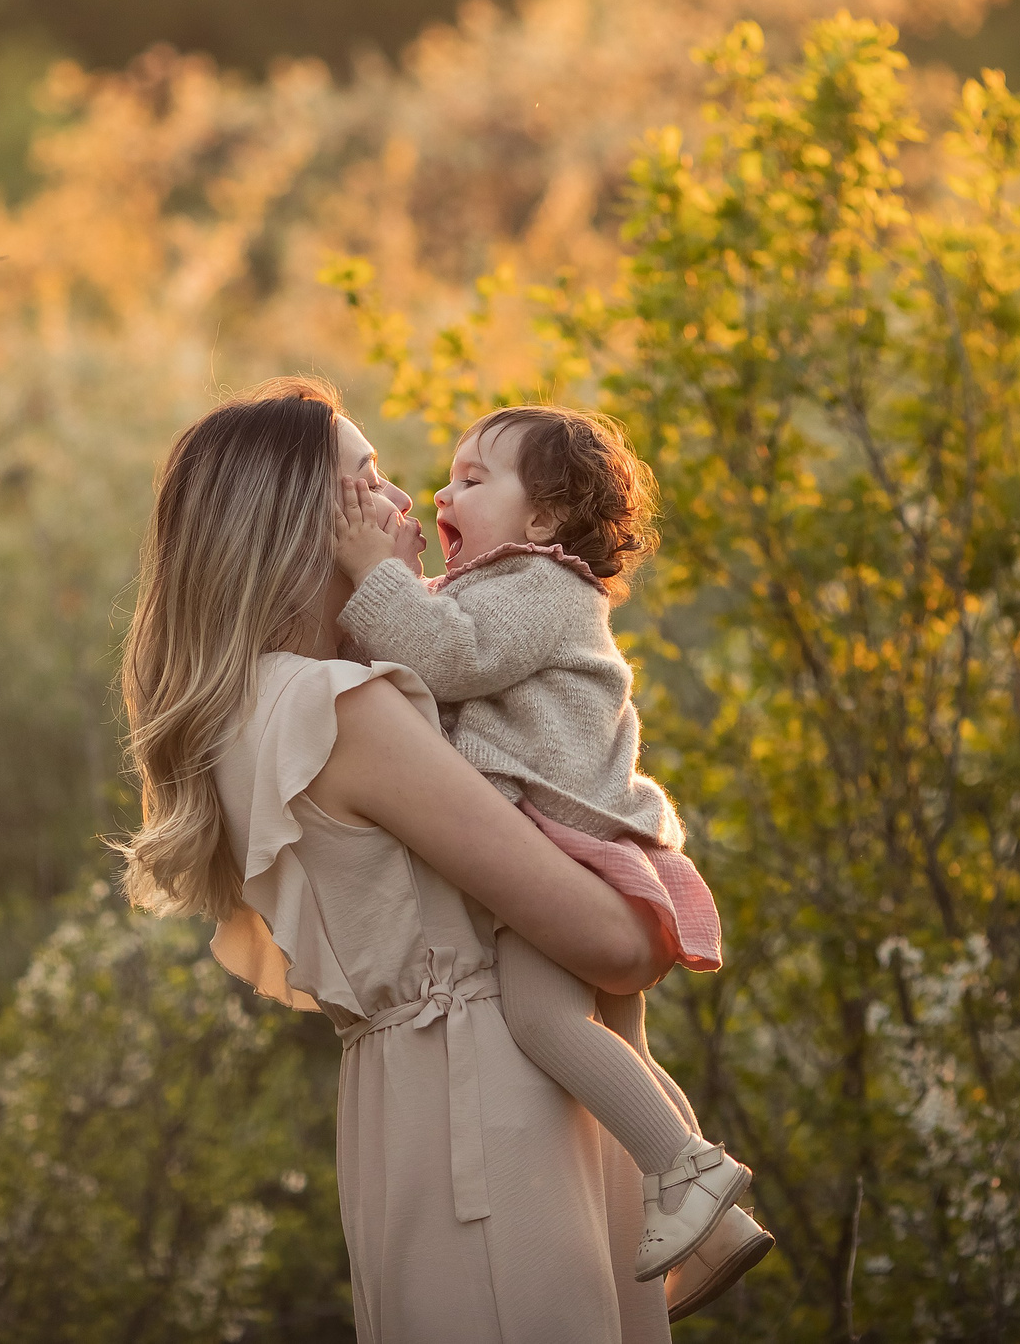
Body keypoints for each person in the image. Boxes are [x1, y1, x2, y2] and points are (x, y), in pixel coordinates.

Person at [118, 378, 732, 1339]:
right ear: (303, 525)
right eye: (370, 484)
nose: (408, 503)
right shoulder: (346, 713)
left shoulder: (257, 709)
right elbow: (612, 945)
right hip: (494, 1112)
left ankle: (686, 1170)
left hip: (411, 1111)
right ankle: (691, 1164)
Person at [332, 405, 774, 1297]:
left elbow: (446, 661)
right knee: (619, 1047)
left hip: (570, 849)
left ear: (540, 521)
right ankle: (712, 1218)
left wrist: (370, 574)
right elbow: (440, 649)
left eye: (471, 480)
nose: (442, 491)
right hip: (593, 843)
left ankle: (686, 1171)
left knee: (541, 1018)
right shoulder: (510, 588)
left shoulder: (540, 583)